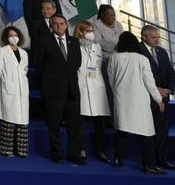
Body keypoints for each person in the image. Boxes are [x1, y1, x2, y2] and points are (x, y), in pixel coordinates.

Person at [110, 31, 166, 174]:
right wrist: (158, 99)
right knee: (146, 132)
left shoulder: (114, 57)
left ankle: (117, 158)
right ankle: (149, 165)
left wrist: (118, 92)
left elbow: (111, 78)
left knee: (122, 129)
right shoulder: (142, 59)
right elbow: (149, 82)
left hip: (121, 98)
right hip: (139, 99)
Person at [33, 14, 84, 164]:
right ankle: (57, 153)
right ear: (51, 25)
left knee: (74, 125)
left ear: (66, 25)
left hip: (72, 90)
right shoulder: (43, 41)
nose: (59, 26)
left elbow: (77, 63)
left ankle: (73, 153)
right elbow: (38, 65)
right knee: (54, 124)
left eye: (62, 23)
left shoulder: (74, 42)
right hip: (53, 91)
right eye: (55, 24)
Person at [139, 25, 175, 170]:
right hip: (146, 98)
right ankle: (149, 162)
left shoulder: (162, 52)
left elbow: (171, 74)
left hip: (163, 97)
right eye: (153, 37)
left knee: (162, 131)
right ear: (144, 37)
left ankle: (162, 159)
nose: (157, 40)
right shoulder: (137, 51)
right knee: (148, 131)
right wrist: (155, 90)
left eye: (158, 37)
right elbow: (138, 76)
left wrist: (168, 89)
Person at [74, 20, 110, 162]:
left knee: (100, 121)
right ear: (80, 32)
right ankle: (81, 149)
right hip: (82, 84)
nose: (91, 34)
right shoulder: (75, 45)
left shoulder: (97, 46)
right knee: (79, 120)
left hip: (96, 85)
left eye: (92, 31)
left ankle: (101, 150)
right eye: (88, 31)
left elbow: (98, 65)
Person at [0, 26, 29, 158]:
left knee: (22, 119)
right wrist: (6, 82)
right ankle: (6, 149)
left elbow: (24, 70)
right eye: (11, 35)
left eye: (16, 35)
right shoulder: (1, 51)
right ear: (6, 37)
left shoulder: (24, 53)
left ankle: (21, 150)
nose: (14, 37)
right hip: (8, 88)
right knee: (8, 118)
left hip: (22, 89)